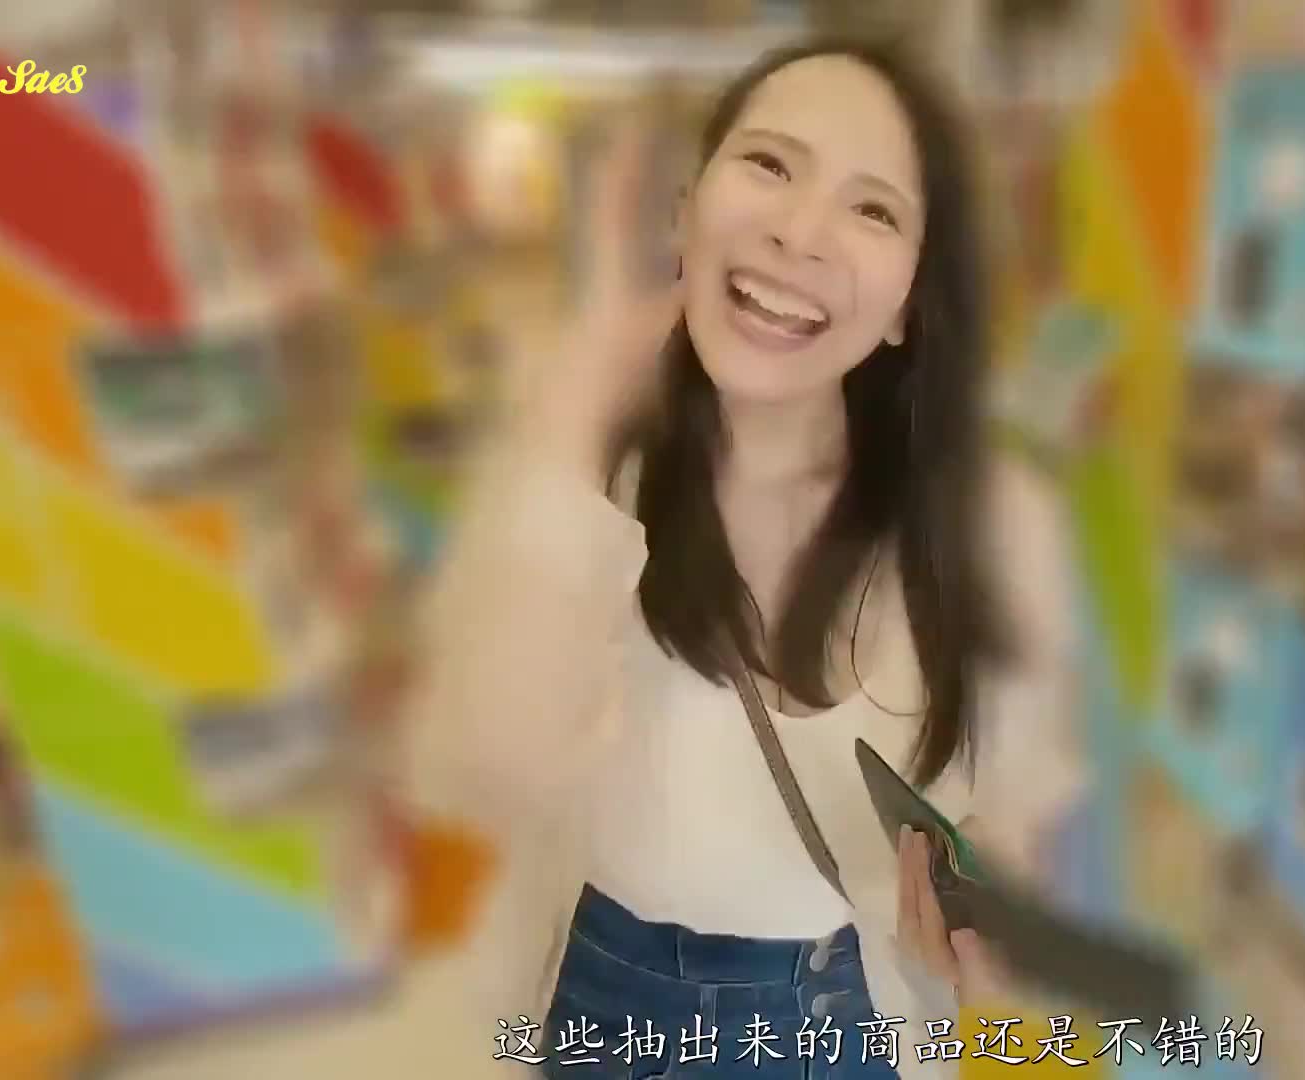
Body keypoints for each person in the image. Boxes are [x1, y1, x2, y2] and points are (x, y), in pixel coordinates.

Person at [403, 36, 1084, 1080]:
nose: (798, 232)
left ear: (908, 302)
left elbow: (1016, 823)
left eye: (874, 210)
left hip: (842, 1013)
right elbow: (484, 768)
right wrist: (585, 378)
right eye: (769, 164)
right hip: (596, 992)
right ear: (687, 209)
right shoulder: (584, 463)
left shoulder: (993, 521)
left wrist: (982, 932)